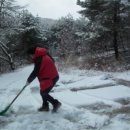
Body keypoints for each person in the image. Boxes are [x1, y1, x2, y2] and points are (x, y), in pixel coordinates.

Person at [26, 46, 61, 112]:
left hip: (50, 78)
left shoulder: (40, 59)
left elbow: (35, 72)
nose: (30, 57)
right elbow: (52, 61)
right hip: (49, 77)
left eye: (30, 55)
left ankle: (56, 103)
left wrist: (29, 80)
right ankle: (45, 106)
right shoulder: (44, 55)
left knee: (43, 93)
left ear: (33, 53)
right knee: (43, 92)